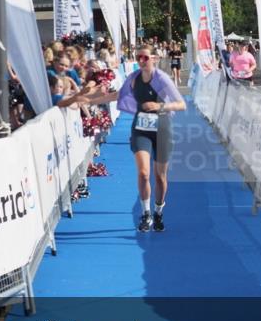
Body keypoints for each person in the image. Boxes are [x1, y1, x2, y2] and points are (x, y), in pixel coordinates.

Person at [78, 44, 186, 233]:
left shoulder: (162, 79)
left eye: (145, 57)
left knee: (160, 177)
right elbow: (118, 95)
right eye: (139, 58)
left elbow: (181, 104)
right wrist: (90, 101)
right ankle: (146, 214)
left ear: (153, 58)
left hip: (162, 128)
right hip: (141, 128)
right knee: (144, 173)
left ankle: (159, 211)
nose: (142, 61)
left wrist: (160, 107)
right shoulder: (134, 78)